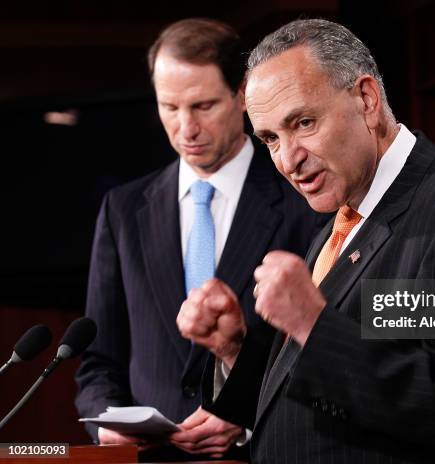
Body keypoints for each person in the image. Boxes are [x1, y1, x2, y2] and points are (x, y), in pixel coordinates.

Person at [176, 19, 435, 464]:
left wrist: (311, 323)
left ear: (366, 99)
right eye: (270, 138)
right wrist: (236, 349)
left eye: (304, 122)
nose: (288, 160)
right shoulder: (344, 211)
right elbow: (310, 409)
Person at [74, 18, 324, 461]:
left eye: (203, 106)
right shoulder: (123, 210)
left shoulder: (305, 200)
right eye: (169, 107)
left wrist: (246, 413)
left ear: (242, 95)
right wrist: (107, 423)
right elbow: (98, 359)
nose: (185, 127)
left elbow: (324, 356)